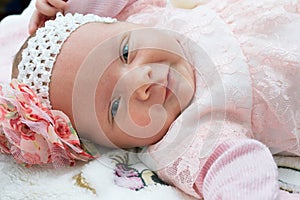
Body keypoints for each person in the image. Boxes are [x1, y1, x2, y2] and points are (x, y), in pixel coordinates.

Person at [1, 0, 300, 199]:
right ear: (115, 143)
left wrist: (71, 3)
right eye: (115, 107)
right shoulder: (186, 136)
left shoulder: (144, 16)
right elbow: (239, 170)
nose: (140, 82)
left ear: (123, 24)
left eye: (126, 53)